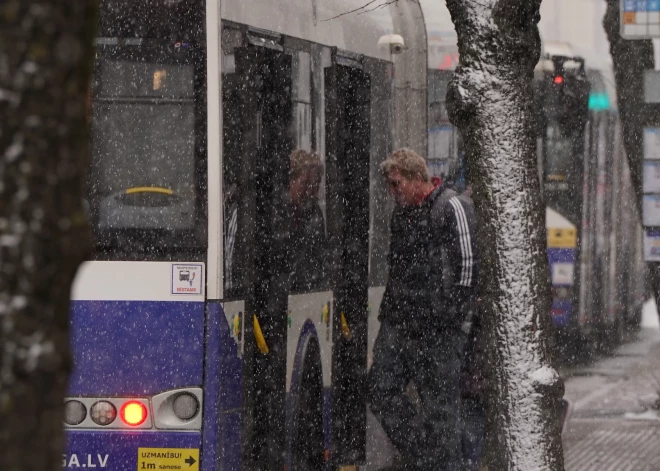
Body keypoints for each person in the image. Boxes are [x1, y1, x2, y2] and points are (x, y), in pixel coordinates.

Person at [367, 148, 478, 471]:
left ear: (417, 178)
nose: (393, 192)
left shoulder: (451, 207)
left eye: (396, 183)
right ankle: (426, 456)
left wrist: (449, 316)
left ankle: (437, 460)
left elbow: (468, 267)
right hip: (401, 322)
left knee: (441, 413)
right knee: (380, 388)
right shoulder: (401, 214)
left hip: (437, 329)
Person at [288, 149, 327, 292]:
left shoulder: (314, 213)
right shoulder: (277, 214)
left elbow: (319, 259)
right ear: (290, 181)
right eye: (305, 183)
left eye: (315, 184)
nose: (310, 191)